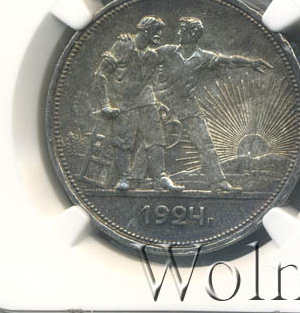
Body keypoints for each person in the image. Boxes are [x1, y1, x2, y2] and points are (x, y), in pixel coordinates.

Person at [154, 17, 272, 192]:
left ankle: (218, 183)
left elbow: (228, 61)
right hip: (163, 104)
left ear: (193, 34)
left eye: (183, 30)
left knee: (206, 145)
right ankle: (137, 179)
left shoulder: (202, 57)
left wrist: (250, 63)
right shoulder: (166, 51)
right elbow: (142, 59)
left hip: (187, 106)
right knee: (152, 142)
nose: (178, 33)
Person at [95, 16, 183, 192]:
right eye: (157, 31)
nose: (159, 35)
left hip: (147, 103)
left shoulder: (152, 54)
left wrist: (157, 103)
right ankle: (124, 178)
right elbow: (100, 74)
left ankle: (161, 177)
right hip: (124, 103)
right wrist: (105, 104)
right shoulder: (123, 45)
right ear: (146, 30)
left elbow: (148, 83)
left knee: (156, 139)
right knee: (123, 142)